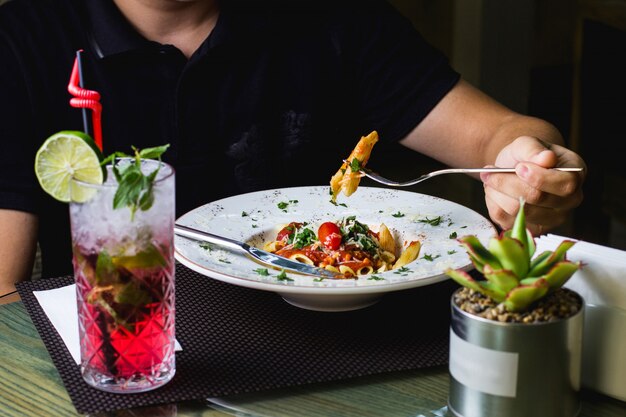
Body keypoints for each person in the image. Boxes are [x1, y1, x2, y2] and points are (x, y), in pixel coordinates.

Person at [0, 0, 585, 295]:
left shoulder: (331, 16)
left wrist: (530, 164)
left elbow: (496, 135)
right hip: (128, 353)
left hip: (341, 351)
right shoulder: (23, 42)